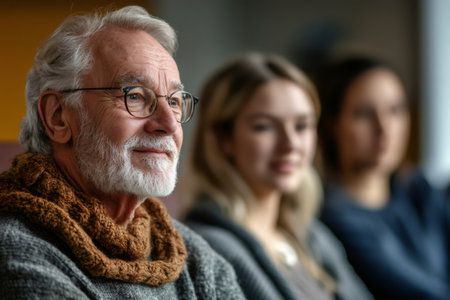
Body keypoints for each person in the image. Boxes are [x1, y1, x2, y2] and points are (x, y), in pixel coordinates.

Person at [0, 6, 245, 299]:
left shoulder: (194, 256)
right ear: (58, 116)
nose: (168, 124)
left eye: (176, 102)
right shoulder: (15, 249)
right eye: (136, 96)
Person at [181, 53, 372, 300]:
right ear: (223, 138)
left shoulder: (311, 235)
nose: (290, 144)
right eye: (264, 126)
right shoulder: (209, 248)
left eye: (302, 126)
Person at [316, 56, 450, 299]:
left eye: (396, 110)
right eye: (364, 114)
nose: (384, 128)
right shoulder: (333, 218)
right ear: (332, 124)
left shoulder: (418, 188)